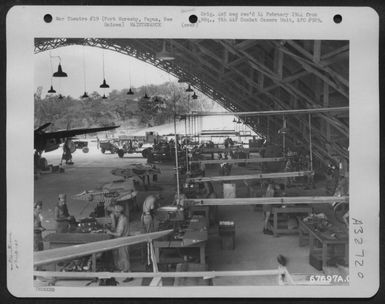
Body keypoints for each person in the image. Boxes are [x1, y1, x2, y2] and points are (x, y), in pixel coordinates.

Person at [106, 205, 133, 283]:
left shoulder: (122, 220)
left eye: (115, 212)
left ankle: (129, 276)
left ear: (118, 212)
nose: (114, 214)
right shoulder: (122, 218)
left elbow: (119, 234)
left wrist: (109, 232)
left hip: (123, 241)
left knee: (125, 259)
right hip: (122, 241)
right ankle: (126, 273)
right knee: (123, 258)